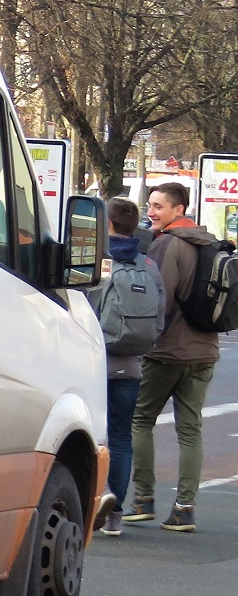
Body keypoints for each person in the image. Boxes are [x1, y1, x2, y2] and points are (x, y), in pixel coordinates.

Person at [128, 181, 220, 531]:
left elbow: (159, 300)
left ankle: (143, 499)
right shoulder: (210, 242)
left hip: (167, 351)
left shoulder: (167, 244)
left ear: (178, 210)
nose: (150, 212)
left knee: (140, 421)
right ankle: (184, 508)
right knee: (191, 429)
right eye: (149, 205)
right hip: (205, 350)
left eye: (158, 207)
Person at [89, 198, 158, 536]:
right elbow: (161, 309)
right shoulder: (148, 264)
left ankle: (93, 500)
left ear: (108, 224)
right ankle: (115, 517)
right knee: (120, 436)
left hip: (94, 363)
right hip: (131, 364)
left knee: (89, 434)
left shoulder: (96, 262)